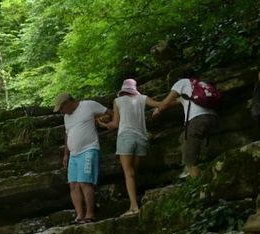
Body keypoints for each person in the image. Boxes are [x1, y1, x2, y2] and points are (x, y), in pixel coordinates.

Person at [98, 79, 158, 216]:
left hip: (126, 137)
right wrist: (178, 101)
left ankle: (134, 207)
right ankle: (133, 204)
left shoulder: (118, 101)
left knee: (128, 173)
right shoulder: (142, 98)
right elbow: (160, 104)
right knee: (134, 173)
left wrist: (103, 125)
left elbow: (115, 124)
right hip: (141, 139)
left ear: (123, 89)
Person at [152, 73, 218, 178]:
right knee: (183, 138)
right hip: (212, 117)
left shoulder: (181, 83)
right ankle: (193, 165)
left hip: (196, 120)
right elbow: (177, 101)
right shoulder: (198, 85)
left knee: (190, 160)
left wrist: (158, 110)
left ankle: (196, 181)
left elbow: (166, 102)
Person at [55, 93, 108, 224]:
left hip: (89, 149)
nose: (61, 112)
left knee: (85, 182)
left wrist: (103, 121)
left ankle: (90, 214)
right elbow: (68, 134)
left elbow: (109, 112)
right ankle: (79, 215)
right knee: (73, 185)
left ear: (68, 103)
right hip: (73, 153)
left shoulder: (88, 105)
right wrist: (66, 154)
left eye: (61, 108)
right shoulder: (66, 117)